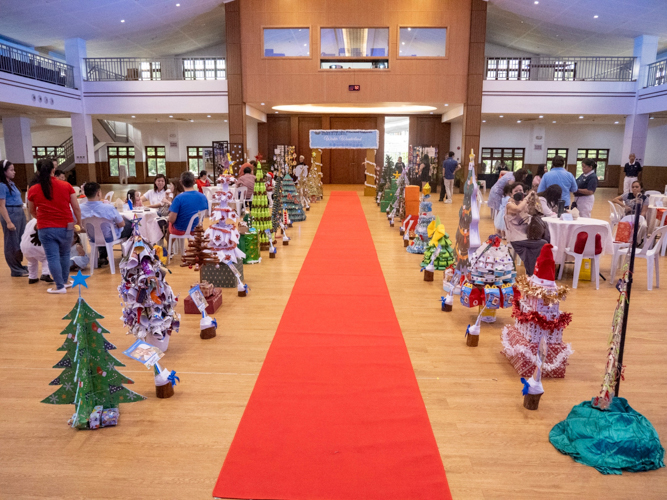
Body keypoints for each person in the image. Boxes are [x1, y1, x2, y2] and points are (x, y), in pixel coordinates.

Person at [27, 158, 82, 293]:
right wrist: (79, 222)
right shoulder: (66, 186)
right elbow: (76, 207)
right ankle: (64, 281)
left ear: (38, 171)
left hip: (46, 227)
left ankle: (59, 286)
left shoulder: (33, 189)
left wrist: (40, 218)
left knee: (52, 257)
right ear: (53, 170)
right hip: (67, 225)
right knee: (65, 254)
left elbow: (31, 210)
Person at [80, 182, 133, 267]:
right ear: (98, 193)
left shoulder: (80, 208)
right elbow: (121, 224)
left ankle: (103, 256)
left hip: (92, 237)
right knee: (130, 224)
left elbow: (78, 226)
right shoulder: (108, 207)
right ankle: (128, 255)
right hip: (110, 236)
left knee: (100, 230)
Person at [505, 184, 549, 276]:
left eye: (520, 190)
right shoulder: (509, 205)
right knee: (543, 243)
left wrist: (532, 200)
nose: (519, 193)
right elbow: (517, 209)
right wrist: (526, 198)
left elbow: (535, 213)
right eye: (516, 191)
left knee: (536, 246)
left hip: (525, 237)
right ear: (511, 193)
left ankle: (532, 272)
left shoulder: (524, 204)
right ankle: (533, 272)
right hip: (516, 238)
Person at [0, 160, 28, 277]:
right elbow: (1, 206)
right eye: (11, 170)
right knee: (12, 242)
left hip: (19, 212)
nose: (14, 172)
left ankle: (19, 265)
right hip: (10, 212)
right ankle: (15, 269)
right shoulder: (1, 185)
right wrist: (8, 222)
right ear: (4, 171)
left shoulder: (11, 184)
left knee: (20, 241)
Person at [167, 171, 209, 236]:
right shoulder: (203, 197)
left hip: (180, 229)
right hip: (197, 228)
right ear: (194, 181)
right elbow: (206, 214)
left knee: (168, 223)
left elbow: (171, 219)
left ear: (181, 182)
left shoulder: (179, 198)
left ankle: (170, 246)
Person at [20, 217, 53, 284]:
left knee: (32, 261)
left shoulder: (31, 221)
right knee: (46, 258)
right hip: (36, 244)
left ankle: (32, 277)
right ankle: (45, 274)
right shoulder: (42, 220)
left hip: (25, 245)